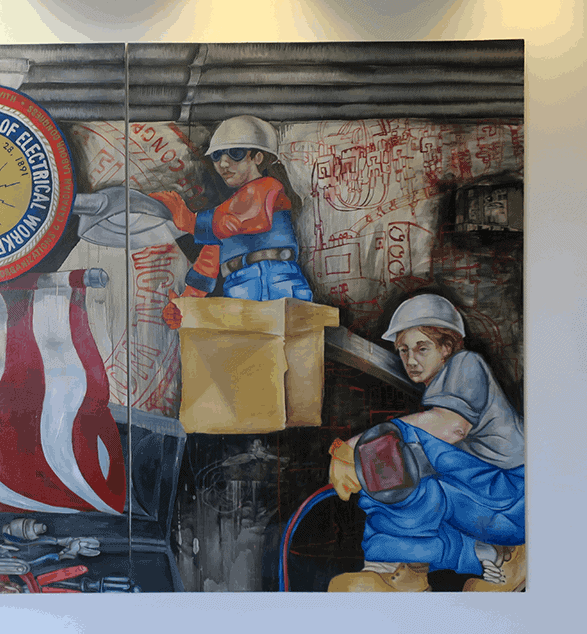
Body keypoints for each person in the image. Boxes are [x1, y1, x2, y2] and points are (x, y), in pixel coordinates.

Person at [327, 294, 525, 592]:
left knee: (394, 447)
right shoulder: (442, 385)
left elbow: (451, 428)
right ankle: (483, 558)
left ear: (447, 348)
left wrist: (355, 446)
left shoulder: (466, 364)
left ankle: (390, 566)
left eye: (422, 348)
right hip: (490, 508)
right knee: (422, 491)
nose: (410, 360)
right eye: (404, 350)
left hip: (514, 496)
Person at [153, 115, 312, 327]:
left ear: (258, 157)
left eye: (235, 154)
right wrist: (183, 305)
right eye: (217, 156)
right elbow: (207, 266)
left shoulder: (269, 188)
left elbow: (245, 219)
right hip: (238, 290)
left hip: (277, 286)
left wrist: (190, 221)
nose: (224, 163)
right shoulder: (225, 213)